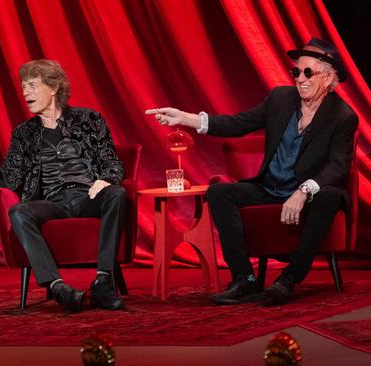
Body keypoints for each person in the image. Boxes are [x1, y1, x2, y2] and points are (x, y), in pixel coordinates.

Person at [145, 38, 358, 305]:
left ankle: (289, 279)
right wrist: (185, 118)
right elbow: (238, 124)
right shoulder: (280, 98)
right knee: (220, 192)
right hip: (269, 188)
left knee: (329, 196)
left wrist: (303, 191)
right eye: (296, 72)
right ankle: (244, 279)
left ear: (328, 78)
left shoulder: (342, 116)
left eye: (308, 73)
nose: (299, 79)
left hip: (308, 193)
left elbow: (338, 165)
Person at [0, 59, 126, 312]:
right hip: (52, 202)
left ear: (54, 87)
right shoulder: (23, 133)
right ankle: (57, 286)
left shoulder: (90, 119)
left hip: (88, 196)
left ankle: (103, 282)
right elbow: (10, 181)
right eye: (23, 86)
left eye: (32, 85)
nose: (25, 92)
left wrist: (105, 180)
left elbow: (111, 162)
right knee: (18, 210)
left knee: (117, 193)